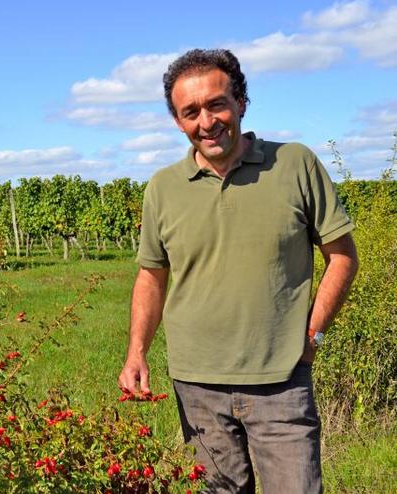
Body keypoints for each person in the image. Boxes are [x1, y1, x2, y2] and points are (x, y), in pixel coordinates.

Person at [117, 49, 359, 493]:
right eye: (190, 112)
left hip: (280, 381)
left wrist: (313, 336)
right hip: (197, 387)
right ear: (177, 121)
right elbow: (151, 276)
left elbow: (342, 257)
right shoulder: (163, 189)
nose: (206, 122)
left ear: (241, 102)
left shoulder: (294, 165)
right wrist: (137, 352)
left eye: (216, 104)